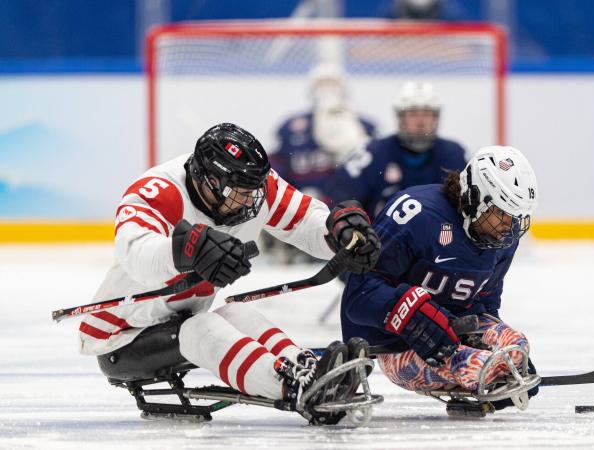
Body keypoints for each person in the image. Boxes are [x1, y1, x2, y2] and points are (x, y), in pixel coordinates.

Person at [79, 123, 381, 424]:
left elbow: (305, 221)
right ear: (208, 180)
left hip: (179, 319)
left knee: (237, 313)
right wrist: (187, 249)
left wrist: (340, 236)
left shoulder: (253, 187)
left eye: (255, 191)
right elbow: (135, 254)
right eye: (240, 193)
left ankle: (305, 368)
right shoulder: (159, 191)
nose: (252, 201)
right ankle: (293, 388)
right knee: (203, 326)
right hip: (120, 337)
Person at [339, 145, 539, 410]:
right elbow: (358, 292)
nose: (507, 227)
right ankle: (478, 374)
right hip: (395, 345)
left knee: (517, 347)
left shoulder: (502, 238)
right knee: (475, 366)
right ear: (474, 198)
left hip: (454, 334)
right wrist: (413, 318)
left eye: (515, 217)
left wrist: (505, 361)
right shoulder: (415, 213)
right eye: (501, 213)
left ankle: (485, 376)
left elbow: (485, 305)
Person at [266, 63, 378, 264]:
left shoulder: (365, 126)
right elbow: (276, 170)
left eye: (333, 83)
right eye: (322, 83)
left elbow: (373, 176)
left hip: (349, 211)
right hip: (302, 211)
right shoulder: (291, 127)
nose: (328, 88)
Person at [327, 81, 467, 218]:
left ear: (436, 118)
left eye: (427, 114)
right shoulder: (371, 155)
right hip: (381, 239)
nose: (420, 122)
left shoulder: (454, 155)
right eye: (412, 114)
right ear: (400, 117)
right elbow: (340, 203)